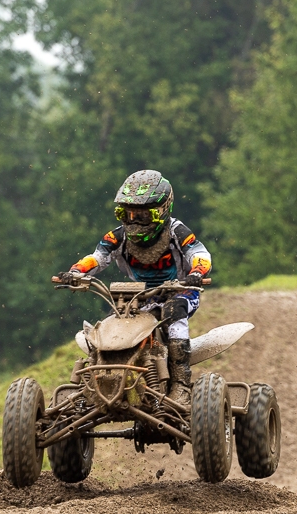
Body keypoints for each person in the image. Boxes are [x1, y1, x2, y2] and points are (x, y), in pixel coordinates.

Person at [65, 170, 212, 403]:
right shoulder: (118, 237)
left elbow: (199, 254)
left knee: (174, 313)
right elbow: (97, 257)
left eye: (142, 216)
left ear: (162, 211)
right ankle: (94, 385)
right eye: (127, 214)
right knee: (113, 322)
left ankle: (181, 383)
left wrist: (196, 273)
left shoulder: (176, 232)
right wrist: (76, 272)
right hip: (141, 295)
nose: (133, 221)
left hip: (181, 290)